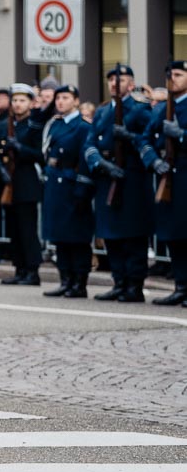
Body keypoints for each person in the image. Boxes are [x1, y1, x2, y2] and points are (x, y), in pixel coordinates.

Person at [84, 64, 154, 302]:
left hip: (131, 177)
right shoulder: (103, 112)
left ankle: (134, 284)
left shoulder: (140, 109)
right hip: (108, 178)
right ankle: (119, 281)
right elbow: (90, 143)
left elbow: (150, 140)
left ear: (131, 84)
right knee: (111, 234)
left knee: (133, 234)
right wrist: (101, 165)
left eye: (121, 80)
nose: (115, 83)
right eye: (111, 80)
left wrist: (130, 137)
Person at [136, 61, 187, 306]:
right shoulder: (161, 110)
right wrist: (154, 161)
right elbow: (144, 140)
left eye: (178, 74)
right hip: (169, 180)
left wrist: (182, 135)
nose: (173, 79)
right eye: (170, 74)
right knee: (174, 236)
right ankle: (181, 286)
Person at [40, 84, 94, 298]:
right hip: (55, 184)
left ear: (76, 101)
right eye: (58, 98)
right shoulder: (55, 125)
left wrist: (82, 187)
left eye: (65, 97)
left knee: (77, 238)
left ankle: (79, 283)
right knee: (60, 237)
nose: (60, 102)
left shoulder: (82, 127)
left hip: (73, 183)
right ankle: (65, 280)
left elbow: (84, 159)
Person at [0, 84, 44, 286]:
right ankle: (19, 268)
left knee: (27, 229)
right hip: (10, 182)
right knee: (14, 230)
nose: (18, 105)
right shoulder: (8, 125)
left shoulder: (34, 126)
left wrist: (19, 148)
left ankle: (32, 270)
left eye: (22, 101)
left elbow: (39, 154)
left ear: (30, 103)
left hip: (27, 181)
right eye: (15, 101)